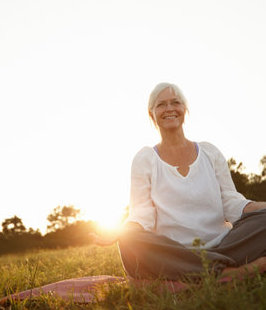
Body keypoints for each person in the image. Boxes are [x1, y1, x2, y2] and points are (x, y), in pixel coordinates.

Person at [93, 83, 266, 281]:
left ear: (185, 110)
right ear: (152, 114)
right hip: (174, 253)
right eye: (161, 105)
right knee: (130, 241)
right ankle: (229, 272)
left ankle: (202, 272)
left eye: (175, 103)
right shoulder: (145, 159)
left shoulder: (210, 152)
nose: (169, 109)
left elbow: (232, 203)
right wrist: (119, 233)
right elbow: (142, 215)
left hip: (224, 246)